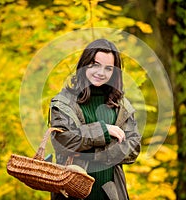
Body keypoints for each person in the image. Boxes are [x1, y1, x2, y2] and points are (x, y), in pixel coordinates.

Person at [49, 39, 141, 200]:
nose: (101, 72)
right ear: (85, 64)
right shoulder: (64, 101)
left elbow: (133, 148)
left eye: (108, 68)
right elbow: (63, 140)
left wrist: (92, 154)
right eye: (95, 64)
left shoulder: (121, 105)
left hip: (110, 192)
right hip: (71, 192)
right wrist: (104, 131)